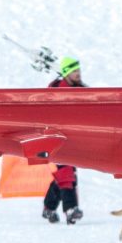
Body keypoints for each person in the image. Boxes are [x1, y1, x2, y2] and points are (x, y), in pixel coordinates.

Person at [42, 57, 86, 223]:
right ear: (67, 72)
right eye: (74, 71)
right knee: (67, 171)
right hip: (56, 136)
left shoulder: (81, 89)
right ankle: (70, 209)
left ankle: (49, 208)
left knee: (65, 172)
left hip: (74, 137)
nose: (78, 74)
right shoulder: (55, 88)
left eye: (79, 71)